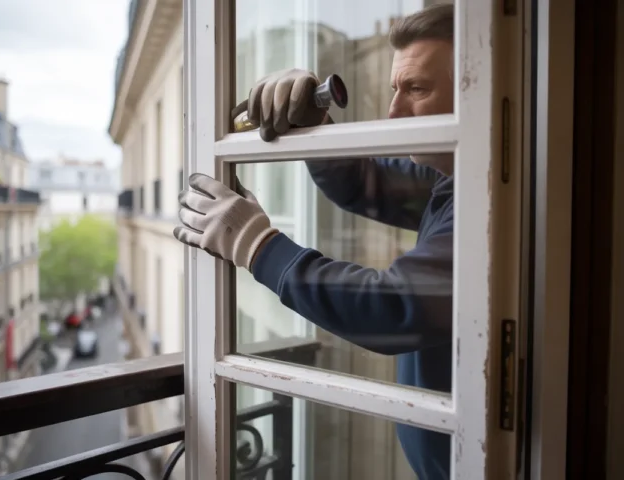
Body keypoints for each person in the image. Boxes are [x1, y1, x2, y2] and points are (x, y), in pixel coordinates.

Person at [174, 4, 454, 479]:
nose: (393, 112)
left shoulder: (489, 195)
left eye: (417, 89)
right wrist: (313, 124)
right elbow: (365, 184)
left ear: (476, 88)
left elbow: (391, 309)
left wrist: (257, 246)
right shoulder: (450, 178)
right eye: (395, 90)